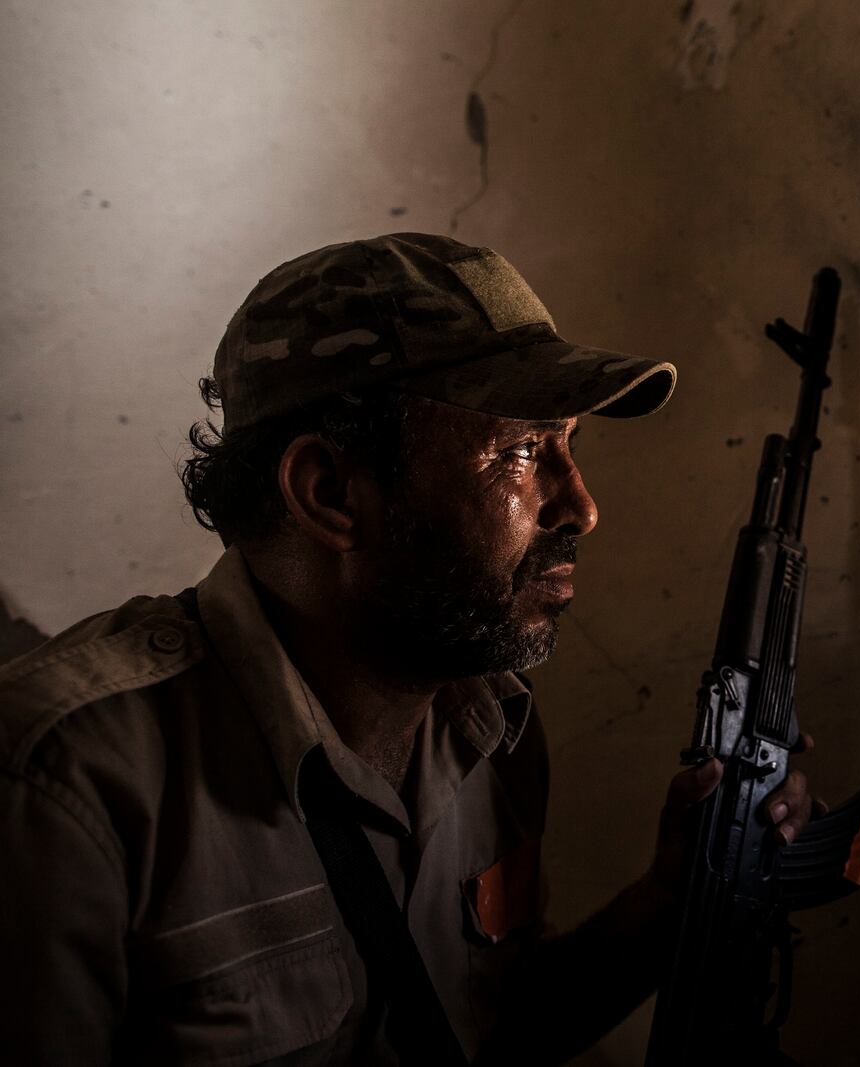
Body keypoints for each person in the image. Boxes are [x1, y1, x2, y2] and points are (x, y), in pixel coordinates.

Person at [0, 233, 817, 1065]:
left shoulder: (494, 730)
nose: (581, 506)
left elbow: (491, 1030)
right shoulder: (65, 786)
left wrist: (672, 898)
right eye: (523, 452)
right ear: (329, 493)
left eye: (571, 444)